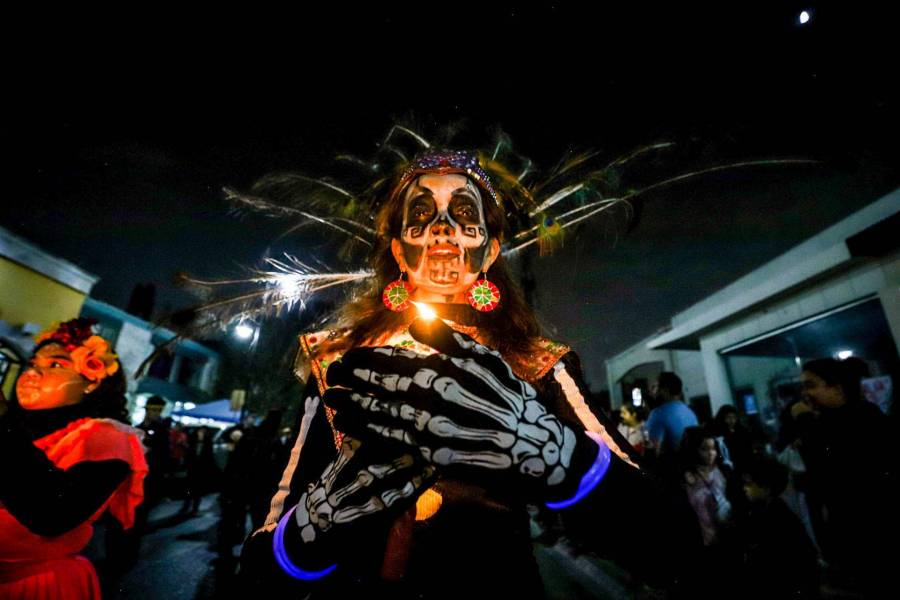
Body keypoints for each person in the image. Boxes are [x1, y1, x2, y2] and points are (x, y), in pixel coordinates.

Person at [238, 150, 702, 598]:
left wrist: (553, 453)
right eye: (422, 213)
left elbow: (668, 549)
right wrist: (319, 520)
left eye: (464, 212)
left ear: (489, 249)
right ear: (399, 250)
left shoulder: (534, 365)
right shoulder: (340, 363)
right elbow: (259, 573)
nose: (443, 228)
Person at [0, 318, 148, 599]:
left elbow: (53, 514)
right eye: (32, 364)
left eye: (55, 365)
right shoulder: (18, 428)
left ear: (91, 381)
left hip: (34, 586)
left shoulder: (106, 437)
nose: (32, 374)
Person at [792, 358, 897, 596]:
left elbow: (826, 472)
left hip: (872, 536)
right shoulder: (844, 418)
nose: (805, 394)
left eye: (811, 385)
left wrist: (805, 421)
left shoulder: (855, 421)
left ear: (837, 388)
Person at [737, 458, 819, 598]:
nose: (744, 488)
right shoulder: (763, 510)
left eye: (749, 484)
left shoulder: (779, 519)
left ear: (766, 489)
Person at [645, 372, 698, 481]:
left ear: (665, 390)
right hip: (692, 473)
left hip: (671, 476)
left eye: (655, 387)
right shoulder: (689, 411)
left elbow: (653, 450)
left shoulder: (658, 413)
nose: (652, 391)